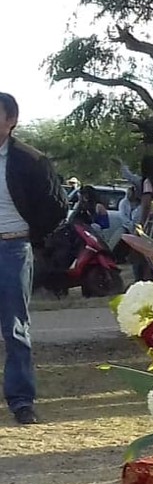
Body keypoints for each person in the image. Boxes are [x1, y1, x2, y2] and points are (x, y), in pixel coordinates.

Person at [0, 93, 67, 425]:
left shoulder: (31, 160)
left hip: (13, 249)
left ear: (11, 120)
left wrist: (32, 235)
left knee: (15, 328)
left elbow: (57, 206)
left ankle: (22, 401)